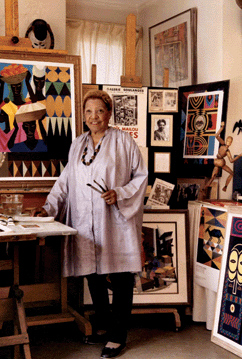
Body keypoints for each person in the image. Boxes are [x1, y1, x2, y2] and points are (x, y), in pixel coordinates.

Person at [33, 90, 148, 358]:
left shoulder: (123, 141)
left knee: (120, 277)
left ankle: (118, 337)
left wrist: (118, 193)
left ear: (108, 113)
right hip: (85, 221)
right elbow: (66, 180)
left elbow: (140, 177)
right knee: (93, 274)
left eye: (99, 111)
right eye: (88, 112)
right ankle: (106, 327)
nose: (93, 117)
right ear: (83, 116)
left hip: (115, 221)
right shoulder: (78, 144)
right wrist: (49, 207)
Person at [204, 122, 242, 192]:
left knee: (213, 177)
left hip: (217, 161)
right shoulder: (225, 148)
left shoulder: (225, 147)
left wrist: (222, 127)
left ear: (231, 143)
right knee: (231, 173)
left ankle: (207, 187)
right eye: (228, 140)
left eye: (230, 141)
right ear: (226, 140)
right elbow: (216, 135)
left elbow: (216, 136)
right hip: (220, 162)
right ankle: (224, 187)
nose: (229, 142)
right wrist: (239, 156)